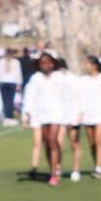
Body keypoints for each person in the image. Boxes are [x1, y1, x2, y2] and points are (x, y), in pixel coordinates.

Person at [22, 53, 70, 184]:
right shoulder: (36, 78)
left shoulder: (59, 77)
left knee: (53, 140)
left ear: (52, 63)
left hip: (57, 113)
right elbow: (29, 97)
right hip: (41, 114)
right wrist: (27, 114)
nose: (44, 65)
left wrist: (70, 116)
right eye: (41, 63)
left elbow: (66, 96)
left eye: (46, 62)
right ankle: (52, 169)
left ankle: (54, 174)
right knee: (47, 143)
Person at [74, 55, 101, 179]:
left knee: (99, 140)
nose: (85, 66)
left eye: (87, 64)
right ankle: (96, 164)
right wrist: (80, 112)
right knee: (92, 142)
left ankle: (99, 167)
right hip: (88, 114)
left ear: (94, 66)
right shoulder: (83, 80)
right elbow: (79, 97)